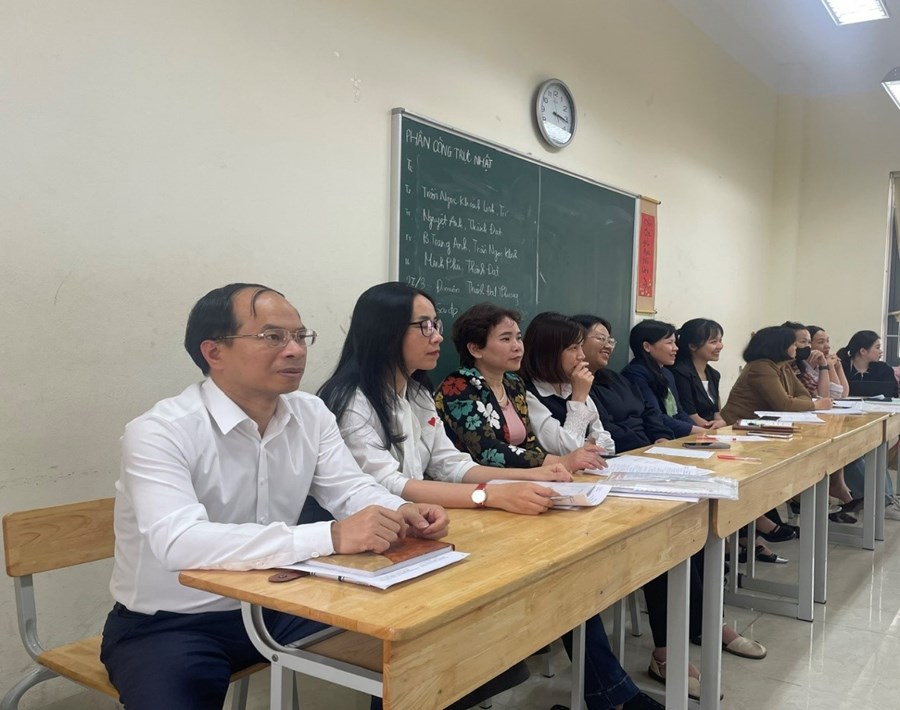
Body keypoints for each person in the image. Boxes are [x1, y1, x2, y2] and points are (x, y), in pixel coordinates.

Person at [100, 283, 449, 710]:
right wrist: (332, 536)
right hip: (172, 623)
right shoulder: (160, 431)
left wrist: (402, 511)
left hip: (279, 605)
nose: (295, 350)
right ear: (214, 352)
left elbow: (349, 487)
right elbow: (179, 541)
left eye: (300, 336)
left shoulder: (310, 413)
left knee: (416, 652)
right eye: (273, 337)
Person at [320, 287, 661, 710]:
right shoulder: (353, 402)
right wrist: (491, 495)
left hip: (424, 524)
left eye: (436, 324)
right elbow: (388, 486)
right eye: (424, 326)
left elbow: (451, 463)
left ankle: (607, 694)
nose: (436, 336)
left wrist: (529, 476)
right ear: (385, 330)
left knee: (558, 567)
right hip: (375, 543)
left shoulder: (417, 393)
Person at [435, 302, 606, 473]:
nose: (517, 346)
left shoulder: (513, 383)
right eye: (505, 339)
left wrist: (568, 458)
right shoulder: (458, 386)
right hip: (473, 482)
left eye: (518, 338)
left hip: (517, 478)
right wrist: (561, 461)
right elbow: (488, 451)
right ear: (476, 349)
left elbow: (530, 444)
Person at [518, 312, 617, 456]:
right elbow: (567, 450)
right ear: (549, 352)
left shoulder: (569, 387)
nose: (582, 356)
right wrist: (578, 400)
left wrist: (584, 445)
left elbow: (608, 444)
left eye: (581, 346)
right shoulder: (527, 395)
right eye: (573, 348)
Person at [570, 314, 671, 450]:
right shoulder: (575, 385)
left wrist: (661, 436)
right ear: (577, 342)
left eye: (610, 341)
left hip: (649, 448)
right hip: (624, 451)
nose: (608, 346)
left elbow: (648, 410)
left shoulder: (617, 379)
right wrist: (645, 445)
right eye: (601, 339)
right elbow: (605, 428)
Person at [782, 322, 854, 512]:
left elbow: (838, 394)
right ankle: (807, 497)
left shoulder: (806, 365)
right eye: (819, 342)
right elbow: (822, 397)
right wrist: (824, 367)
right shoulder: (791, 367)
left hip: (808, 419)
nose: (827, 346)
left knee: (839, 437)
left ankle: (835, 489)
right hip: (792, 424)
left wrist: (832, 367)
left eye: (827, 341)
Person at [721, 326, 833, 423]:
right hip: (737, 424)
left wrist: (793, 402)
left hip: (762, 423)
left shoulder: (784, 366)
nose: (796, 348)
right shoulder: (761, 367)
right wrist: (816, 405)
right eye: (793, 344)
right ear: (780, 347)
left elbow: (805, 395)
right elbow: (785, 405)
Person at [620, 320, 708, 438]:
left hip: (673, 434)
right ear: (647, 346)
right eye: (669, 343)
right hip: (654, 437)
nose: (675, 348)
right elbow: (655, 416)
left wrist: (696, 430)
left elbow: (678, 412)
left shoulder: (666, 373)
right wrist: (694, 430)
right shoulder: (635, 374)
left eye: (675, 343)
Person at [671, 318, 727, 429]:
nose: (720, 346)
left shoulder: (714, 374)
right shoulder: (680, 372)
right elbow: (691, 415)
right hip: (692, 430)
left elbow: (716, 412)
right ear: (693, 346)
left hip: (709, 430)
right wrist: (711, 430)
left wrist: (721, 422)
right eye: (713, 342)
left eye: (720, 341)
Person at [838, 330, 899, 399]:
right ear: (863, 351)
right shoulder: (841, 367)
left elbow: (893, 394)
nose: (881, 351)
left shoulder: (885, 369)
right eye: (877, 347)